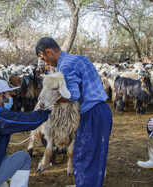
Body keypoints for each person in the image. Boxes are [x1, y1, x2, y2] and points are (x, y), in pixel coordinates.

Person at [35, 37, 113, 187]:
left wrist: (50, 102)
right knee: (96, 155)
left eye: (43, 58)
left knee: (83, 155)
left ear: (49, 52)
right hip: (103, 111)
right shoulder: (78, 58)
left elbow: (73, 95)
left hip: (92, 114)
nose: (46, 63)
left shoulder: (66, 66)